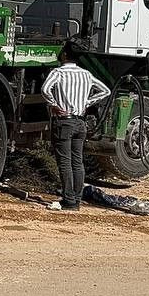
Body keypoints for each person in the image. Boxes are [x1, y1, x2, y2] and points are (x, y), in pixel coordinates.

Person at [40, 46, 111, 211]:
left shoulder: (58, 73)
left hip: (64, 122)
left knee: (65, 163)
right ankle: (76, 199)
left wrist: (54, 104)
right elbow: (105, 91)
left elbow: (45, 90)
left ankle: (69, 200)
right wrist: (86, 103)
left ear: (64, 55)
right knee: (77, 162)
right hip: (80, 123)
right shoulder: (86, 74)